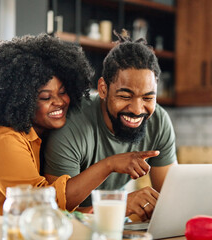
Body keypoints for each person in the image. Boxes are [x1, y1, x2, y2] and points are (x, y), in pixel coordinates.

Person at [0, 34, 94, 239]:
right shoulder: (1, 138)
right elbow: (40, 204)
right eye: (45, 97)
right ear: (21, 99)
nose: (59, 102)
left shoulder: (43, 133)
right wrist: (108, 166)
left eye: (63, 92)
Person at [44, 32, 178, 221]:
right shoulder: (72, 122)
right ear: (103, 89)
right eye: (125, 96)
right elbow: (55, 211)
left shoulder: (159, 122)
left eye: (148, 98)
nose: (137, 109)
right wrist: (118, 202)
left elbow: (172, 199)